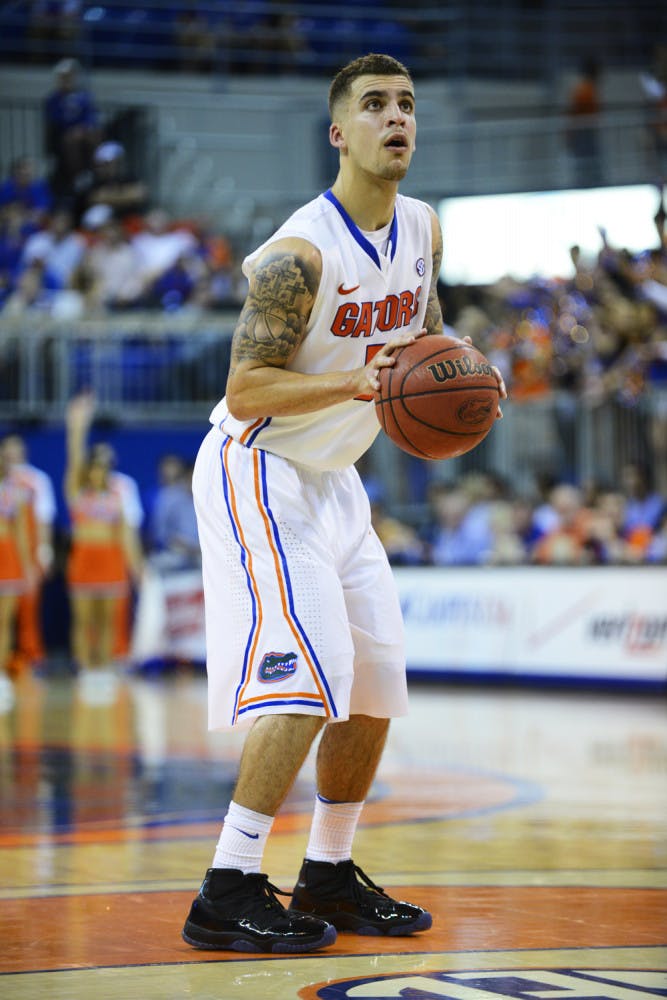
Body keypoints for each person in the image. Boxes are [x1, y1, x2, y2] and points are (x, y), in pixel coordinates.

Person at [183, 53, 506, 954]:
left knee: (373, 679)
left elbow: (424, 330)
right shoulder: (298, 254)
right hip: (261, 465)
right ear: (340, 133)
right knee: (315, 666)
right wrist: (356, 384)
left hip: (335, 480)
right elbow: (246, 389)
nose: (395, 117)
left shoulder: (424, 227)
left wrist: (466, 372)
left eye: (405, 104)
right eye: (374, 106)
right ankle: (227, 885)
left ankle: (327, 871)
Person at [64, 395, 143, 686]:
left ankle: (106, 667)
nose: (99, 470)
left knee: (109, 620)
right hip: (85, 558)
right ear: (89, 469)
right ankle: (85, 667)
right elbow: (73, 458)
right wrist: (76, 427)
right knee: (85, 620)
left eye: (104, 466)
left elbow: (125, 533)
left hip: (110, 558)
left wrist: (134, 565)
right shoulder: (77, 490)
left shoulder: (118, 494)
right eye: (94, 466)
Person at [1, 434, 57, 672]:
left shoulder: (33, 481)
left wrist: (42, 552)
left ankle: (30, 655)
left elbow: (40, 518)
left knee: (23, 609)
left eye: (17, 446)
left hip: (17, 550)